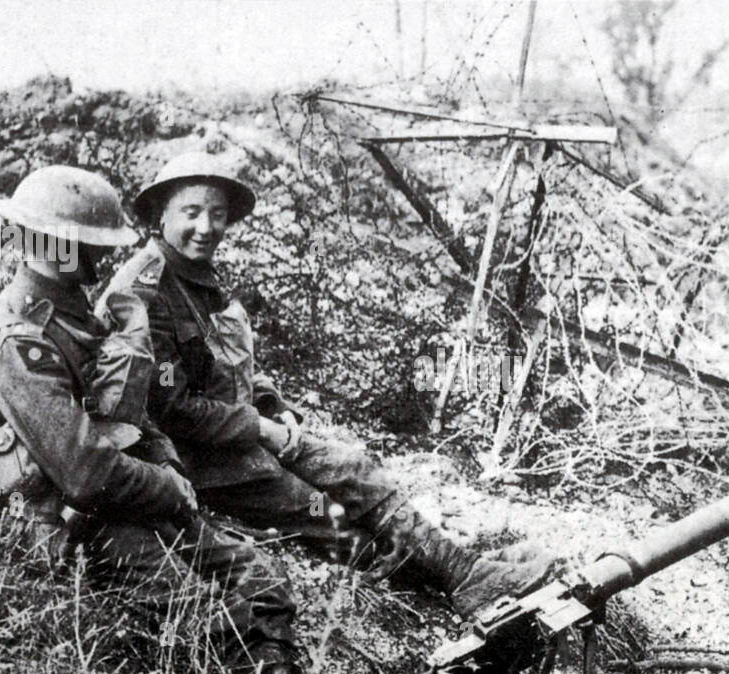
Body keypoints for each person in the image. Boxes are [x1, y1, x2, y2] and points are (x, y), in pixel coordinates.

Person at [99, 151, 553, 620]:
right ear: (160, 215)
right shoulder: (145, 292)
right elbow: (172, 409)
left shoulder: (198, 275)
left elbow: (227, 363)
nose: (206, 227)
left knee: (353, 468)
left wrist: (275, 407)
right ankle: (450, 580)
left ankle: (467, 571)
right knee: (322, 512)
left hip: (238, 438)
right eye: (191, 213)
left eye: (216, 214)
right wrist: (259, 429)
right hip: (192, 459)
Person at [0, 164, 303, 674]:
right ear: (52, 243)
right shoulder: (17, 342)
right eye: (88, 246)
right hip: (67, 518)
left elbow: (137, 411)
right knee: (200, 614)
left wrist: (166, 465)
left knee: (260, 579)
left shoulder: (76, 311)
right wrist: (168, 490)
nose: (100, 260)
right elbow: (84, 474)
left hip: (132, 492)